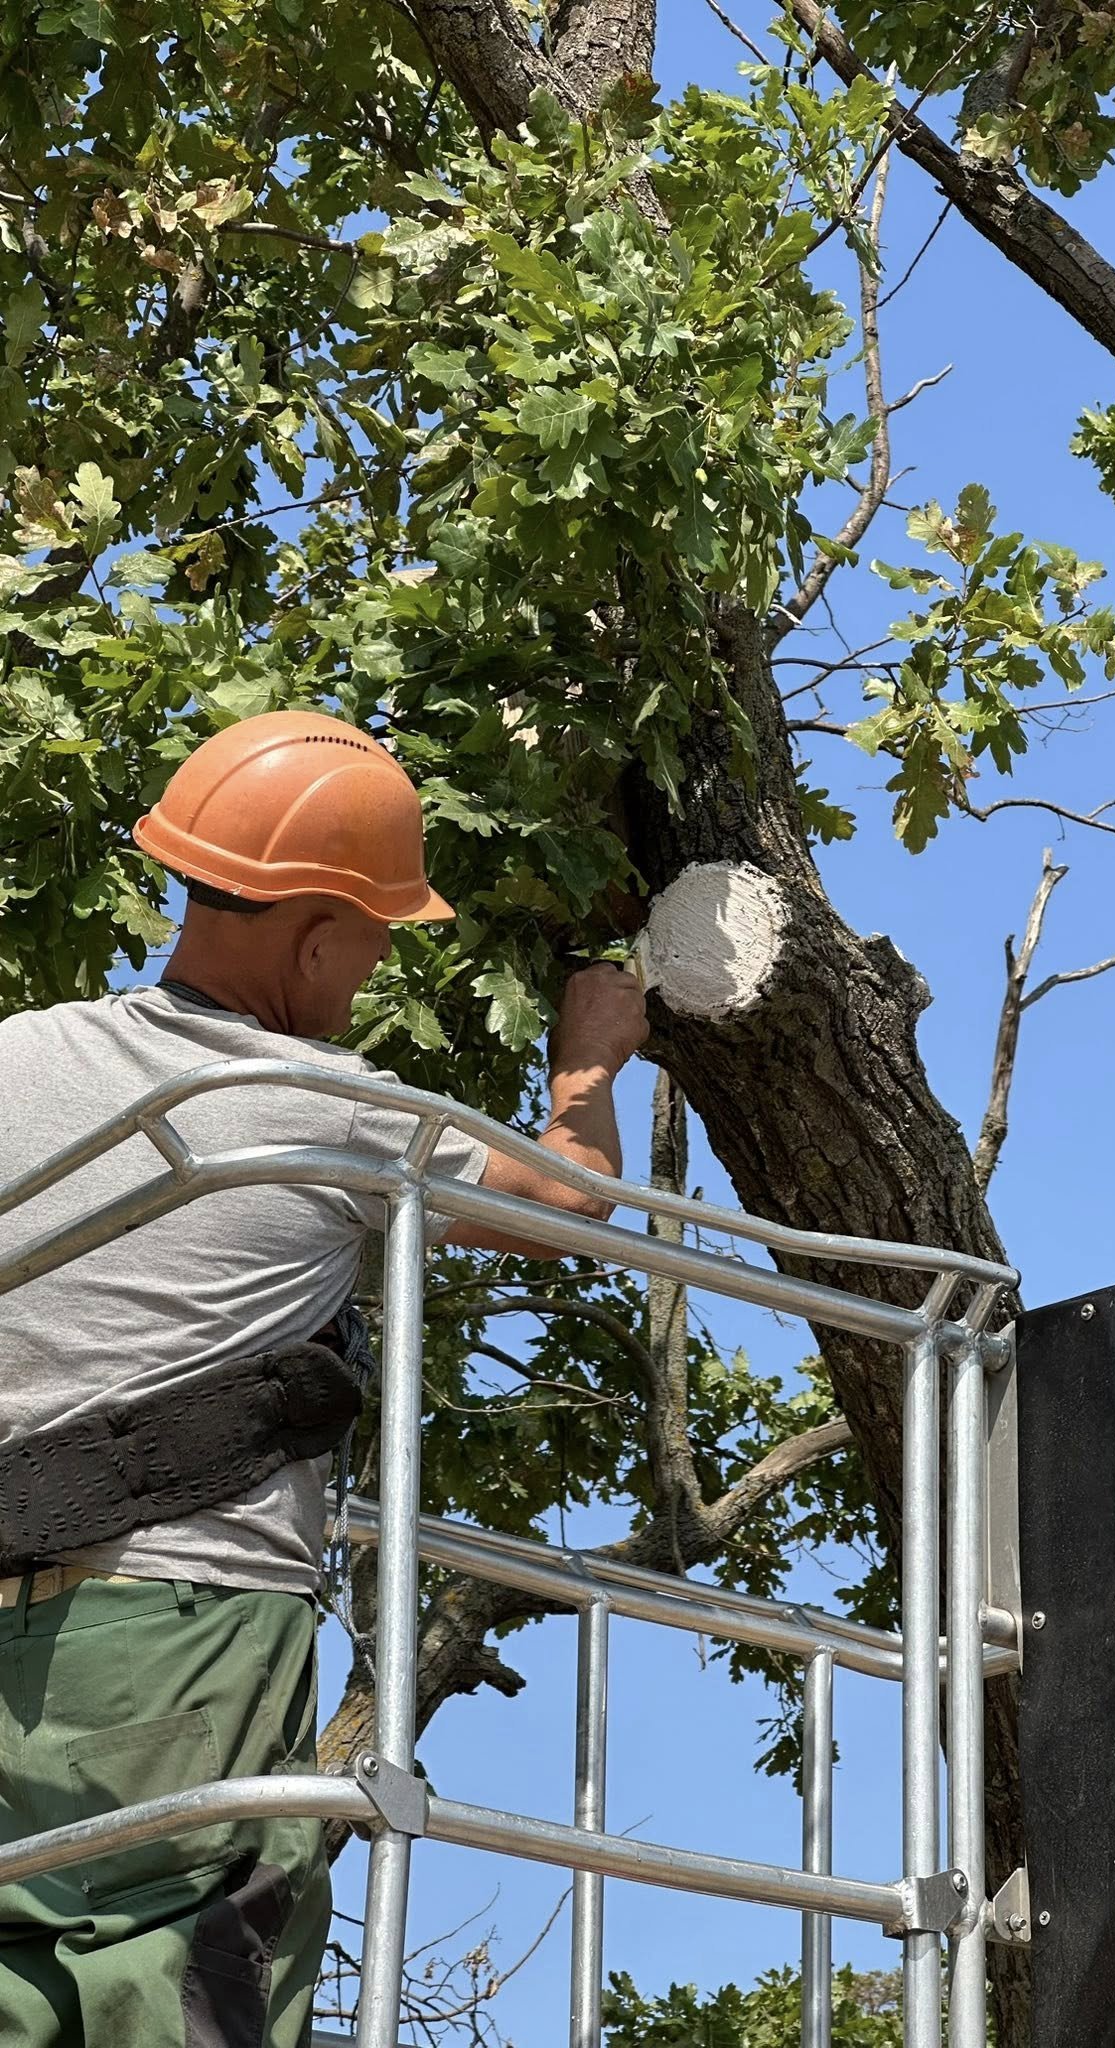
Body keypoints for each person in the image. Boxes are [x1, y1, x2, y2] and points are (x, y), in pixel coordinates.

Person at [0, 709, 648, 2047]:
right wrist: (588, 1059)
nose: (369, 969)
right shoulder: (322, 1111)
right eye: (374, 937)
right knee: (180, 1984)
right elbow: (569, 1200)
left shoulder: (15, 1056)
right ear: (311, 935)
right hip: (178, 1639)